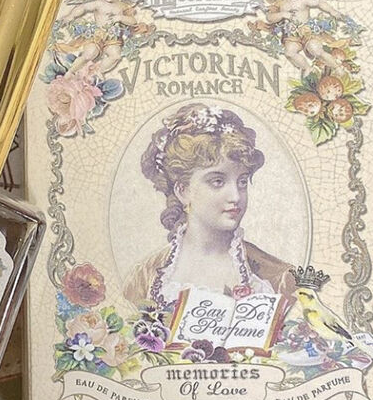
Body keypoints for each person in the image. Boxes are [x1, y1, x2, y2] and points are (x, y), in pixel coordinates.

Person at [124, 104, 296, 308]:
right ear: (183, 191)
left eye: (242, 181)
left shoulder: (278, 277)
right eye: (217, 181)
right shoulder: (145, 277)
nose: (236, 196)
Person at [58, 0, 153, 76]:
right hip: (97, 35)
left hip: (113, 38)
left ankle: (95, 73)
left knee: (115, 56)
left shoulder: (123, 7)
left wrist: (120, 18)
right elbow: (83, 7)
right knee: (89, 55)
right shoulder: (99, 4)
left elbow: (132, 21)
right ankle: (70, 72)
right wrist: (71, 16)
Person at [261, 0, 350, 76]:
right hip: (292, 36)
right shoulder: (279, 3)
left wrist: (332, 11)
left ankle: (337, 67)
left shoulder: (303, 0)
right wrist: (282, 14)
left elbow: (320, 3)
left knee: (316, 50)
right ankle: (307, 68)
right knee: (289, 52)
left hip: (308, 32)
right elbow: (269, 17)